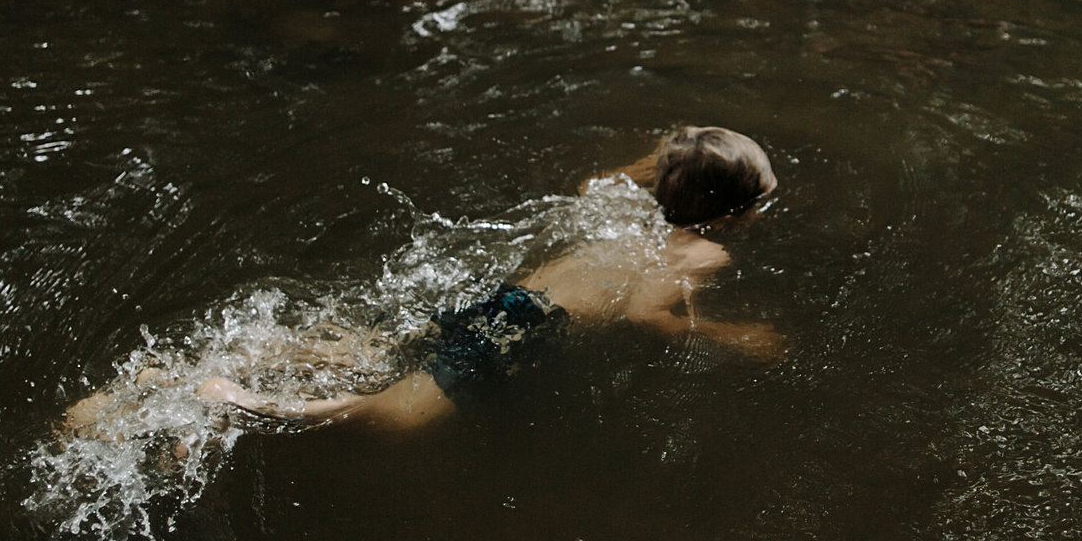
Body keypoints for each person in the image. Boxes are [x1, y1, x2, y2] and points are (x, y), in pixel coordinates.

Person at [65, 128, 783, 439]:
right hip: (529, 328)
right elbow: (642, 315)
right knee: (393, 415)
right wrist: (730, 335)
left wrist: (657, 162)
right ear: (734, 213)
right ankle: (239, 399)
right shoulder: (697, 256)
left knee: (372, 348)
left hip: (499, 298)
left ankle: (192, 370)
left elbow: (591, 181)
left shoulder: (620, 207)